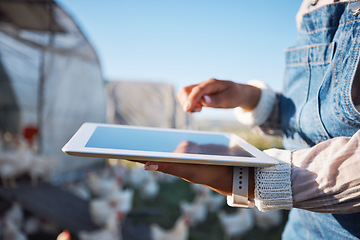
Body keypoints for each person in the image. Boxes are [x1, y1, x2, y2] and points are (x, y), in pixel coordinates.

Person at [144, 0, 360, 239]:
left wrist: (247, 178)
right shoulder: (309, 7)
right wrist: (249, 97)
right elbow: (313, 117)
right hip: (300, 225)